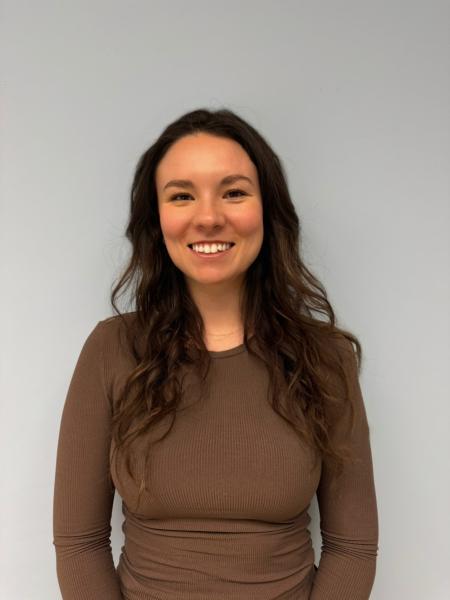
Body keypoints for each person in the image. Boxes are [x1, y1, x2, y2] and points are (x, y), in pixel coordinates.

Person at [52, 108, 379, 599]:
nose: (208, 217)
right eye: (182, 195)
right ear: (156, 218)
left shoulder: (325, 357)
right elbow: (80, 544)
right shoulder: (112, 349)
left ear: (267, 210)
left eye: (234, 192)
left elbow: (352, 547)